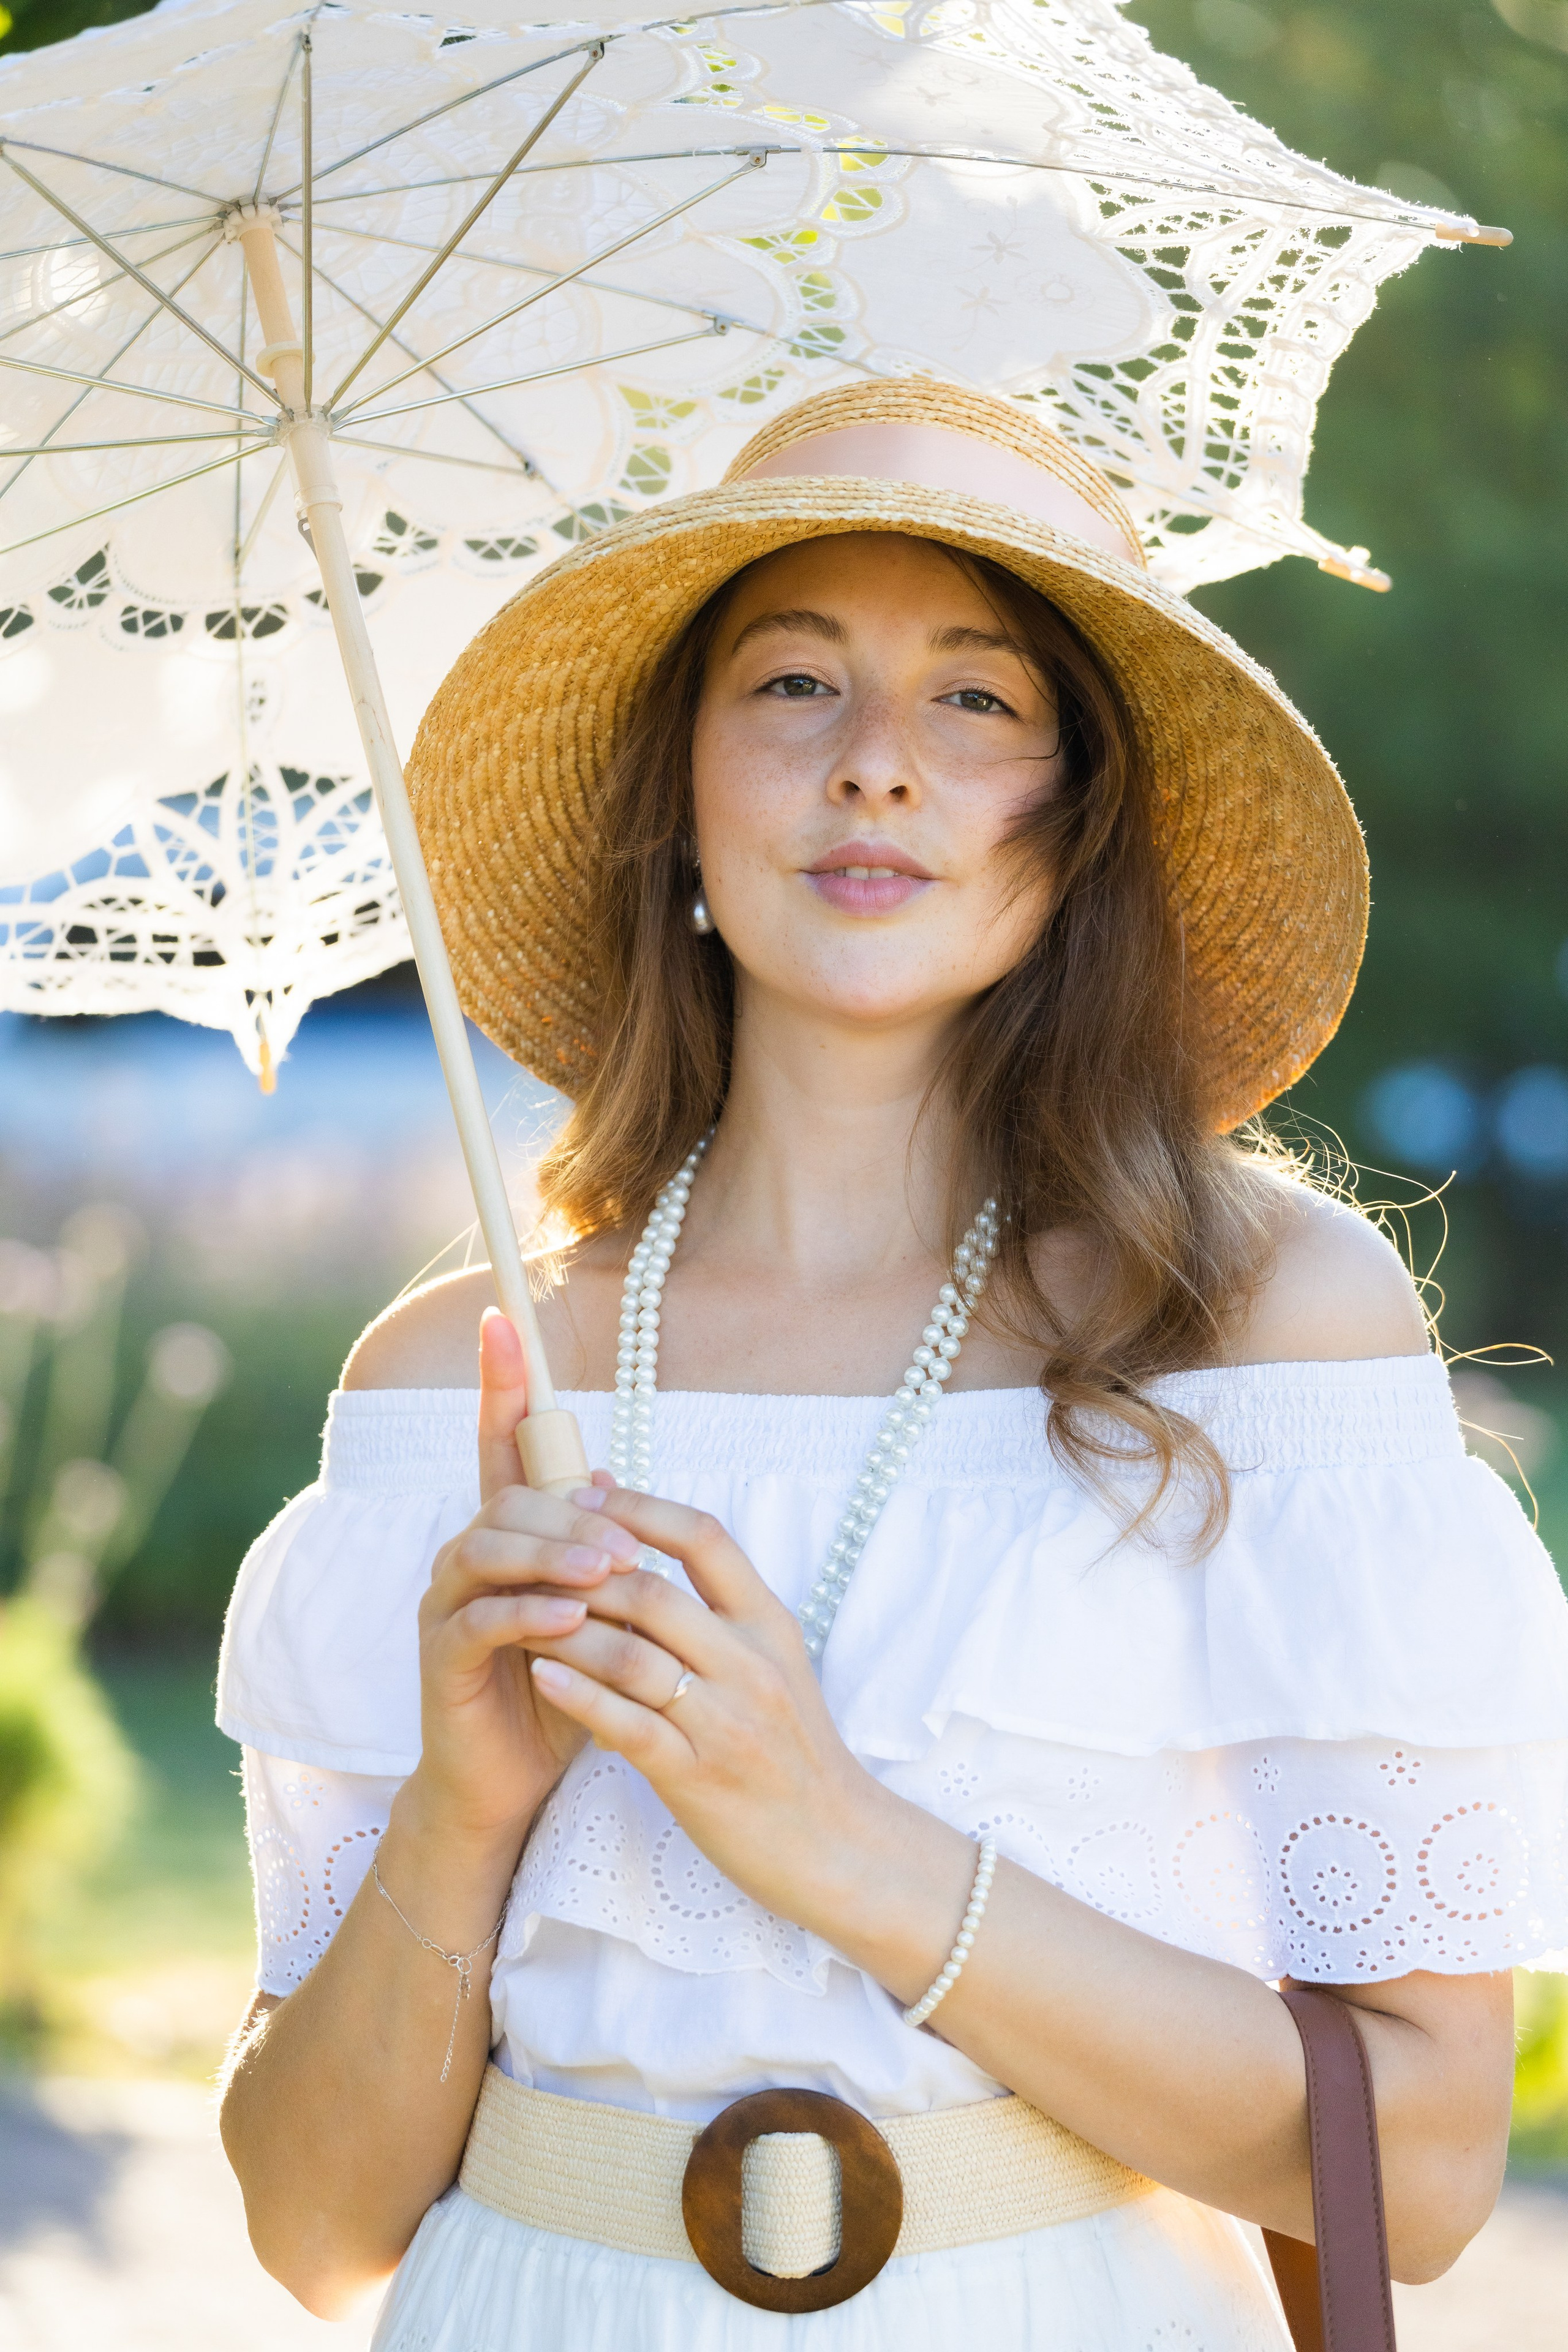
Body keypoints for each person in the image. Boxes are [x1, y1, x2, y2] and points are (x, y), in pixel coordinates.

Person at [215, 380, 1568, 2350]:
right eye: (790, 686)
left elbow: (1428, 2173)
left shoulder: (1259, 1328)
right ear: (679, 789)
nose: (874, 770)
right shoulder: (460, 1385)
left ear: (1082, 812)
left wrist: (840, 1840)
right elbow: (317, 2231)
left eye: (977, 699)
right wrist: (465, 1804)